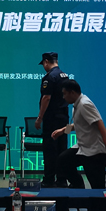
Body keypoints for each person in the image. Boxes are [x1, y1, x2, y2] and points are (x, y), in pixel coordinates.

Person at [52, 79, 106, 189]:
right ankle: (78, 185)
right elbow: (78, 123)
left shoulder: (84, 104)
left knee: (97, 186)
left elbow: (99, 122)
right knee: (63, 161)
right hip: (83, 148)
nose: (63, 97)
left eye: (65, 94)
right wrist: (63, 130)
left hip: (95, 151)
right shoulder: (76, 105)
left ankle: (98, 199)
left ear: (72, 92)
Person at [35, 52, 69, 187]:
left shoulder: (49, 77)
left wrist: (40, 118)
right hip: (64, 119)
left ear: (46, 62)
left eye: (43, 64)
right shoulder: (65, 76)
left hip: (52, 119)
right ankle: (62, 179)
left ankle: (49, 180)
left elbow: (46, 98)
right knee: (62, 149)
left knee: (50, 149)